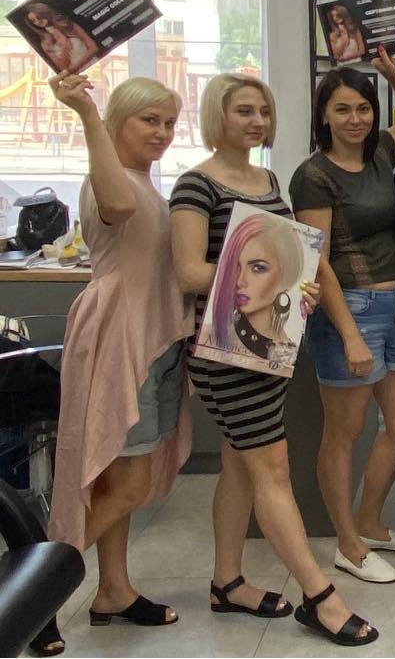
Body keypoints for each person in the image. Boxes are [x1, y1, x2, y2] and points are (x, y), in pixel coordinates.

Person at [170, 73, 377, 647]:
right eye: (243, 110)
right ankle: (321, 598)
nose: (257, 121)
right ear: (218, 116)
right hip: (223, 351)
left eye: (263, 111)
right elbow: (188, 271)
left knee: (240, 465)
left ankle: (227, 581)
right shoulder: (194, 186)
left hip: (267, 345)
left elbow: (287, 252)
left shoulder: (265, 180)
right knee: (273, 470)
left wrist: (294, 280)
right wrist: (273, 276)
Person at [41, 75, 192, 655]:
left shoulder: (147, 182)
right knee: (126, 484)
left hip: (152, 341)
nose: (161, 132)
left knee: (115, 477)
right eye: (148, 120)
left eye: (168, 122)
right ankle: (34, 592)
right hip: (120, 341)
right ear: (116, 122)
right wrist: (85, 113)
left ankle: (113, 591)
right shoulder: (110, 179)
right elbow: (118, 207)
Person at [290, 50, 395, 585]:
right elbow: (317, 261)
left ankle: (370, 521)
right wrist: (349, 334)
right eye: (343, 109)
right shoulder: (313, 175)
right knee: (344, 433)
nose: (355, 119)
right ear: (323, 114)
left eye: (364, 108)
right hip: (349, 308)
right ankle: (347, 543)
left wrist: (392, 76)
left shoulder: (381, 154)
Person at [208, 213, 305, 370]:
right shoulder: (210, 337)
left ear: (286, 276)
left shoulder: (286, 356)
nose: (240, 281)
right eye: (235, 266)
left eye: (258, 268)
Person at [26, 2, 98, 73]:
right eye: (33, 21)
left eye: (38, 17)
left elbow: (93, 48)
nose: (38, 21)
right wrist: (65, 47)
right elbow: (63, 68)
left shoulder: (68, 25)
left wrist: (73, 68)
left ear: (44, 13)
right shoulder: (45, 42)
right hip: (78, 74)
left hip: (95, 65)